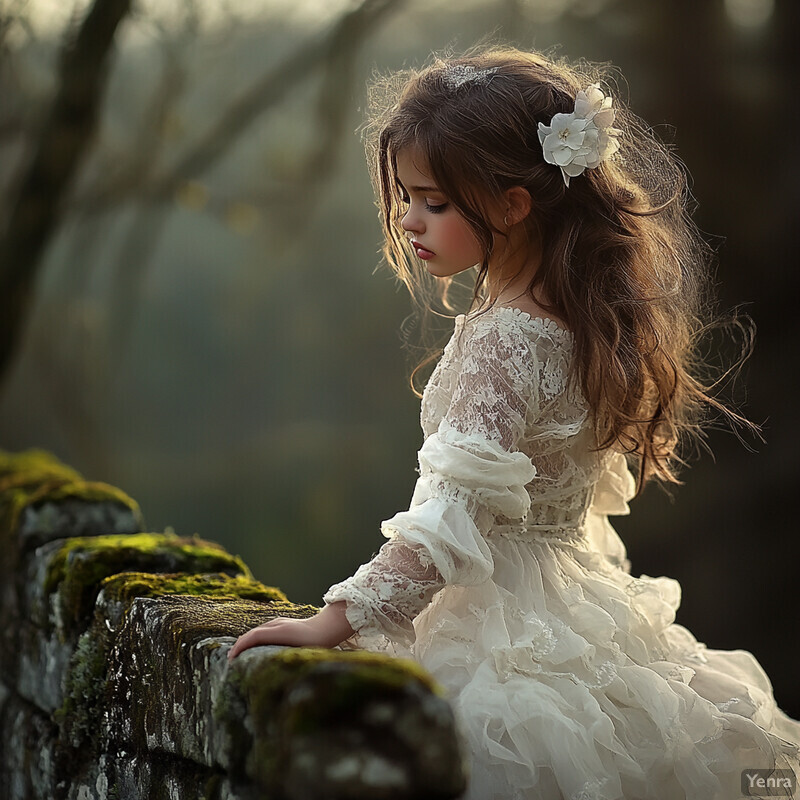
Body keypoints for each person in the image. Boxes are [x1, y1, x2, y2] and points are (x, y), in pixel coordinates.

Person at [228, 47, 800, 799]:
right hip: (576, 609)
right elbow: (566, 504)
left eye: (433, 202)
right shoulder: (573, 317)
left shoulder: (507, 337)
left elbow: (451, 511)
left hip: (500, 626)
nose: (408, 220)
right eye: (404, 197)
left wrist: (333, 621)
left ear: (511, 204)